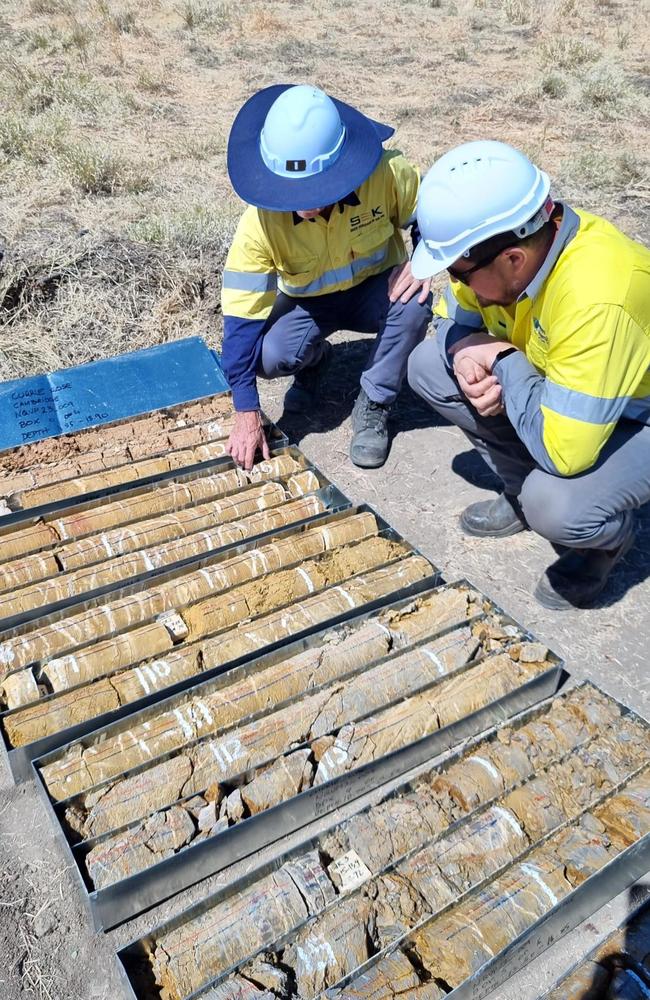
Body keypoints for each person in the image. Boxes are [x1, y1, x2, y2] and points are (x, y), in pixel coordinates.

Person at [407, 139, 650, 610]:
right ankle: (519, 491)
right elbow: (450, 319)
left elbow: (563, 453)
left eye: (459, 274)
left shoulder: (597, 296)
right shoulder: (500, 258)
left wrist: (500, 360)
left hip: (637, 414)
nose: (455, 283)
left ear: (513, 260)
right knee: (428, 367)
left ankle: (605, 540)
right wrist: (462, 350)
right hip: (568, 396)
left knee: (556, 502)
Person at [221, 84, 432, 471]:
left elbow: (432, 215)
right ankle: (315, 362)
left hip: (376, 291)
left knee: (414, 304)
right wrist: (246, 410)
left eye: (314, 188)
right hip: (310, 305)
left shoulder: (386, 173)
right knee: (268, 356)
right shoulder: (258, 225)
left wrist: (421, 260)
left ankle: (374, 402)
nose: (305, 202)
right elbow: (240, 319)